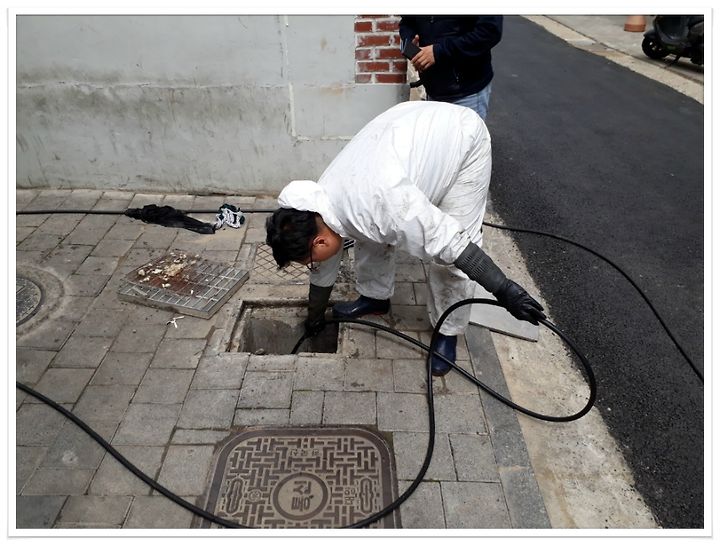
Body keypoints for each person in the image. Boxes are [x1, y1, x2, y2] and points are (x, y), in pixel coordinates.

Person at [265, 101, 543, 376]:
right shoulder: (319, 207)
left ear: (319, 242)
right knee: (369, 236)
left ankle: (447, 331)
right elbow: (326, 265)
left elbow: (453, 244)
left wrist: (504, 289)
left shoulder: (385, 205)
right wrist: (314, 317)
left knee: (450, 256)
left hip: (462, 141)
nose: (314, 266)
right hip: (412, 130)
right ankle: (375, 299)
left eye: (310, 262)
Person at [399, 16, 503, 120]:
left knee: (464, 131)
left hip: (466, 91)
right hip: (432, 88)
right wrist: (412, 49)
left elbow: (490, 31)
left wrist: (438, 52)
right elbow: (407, 22)